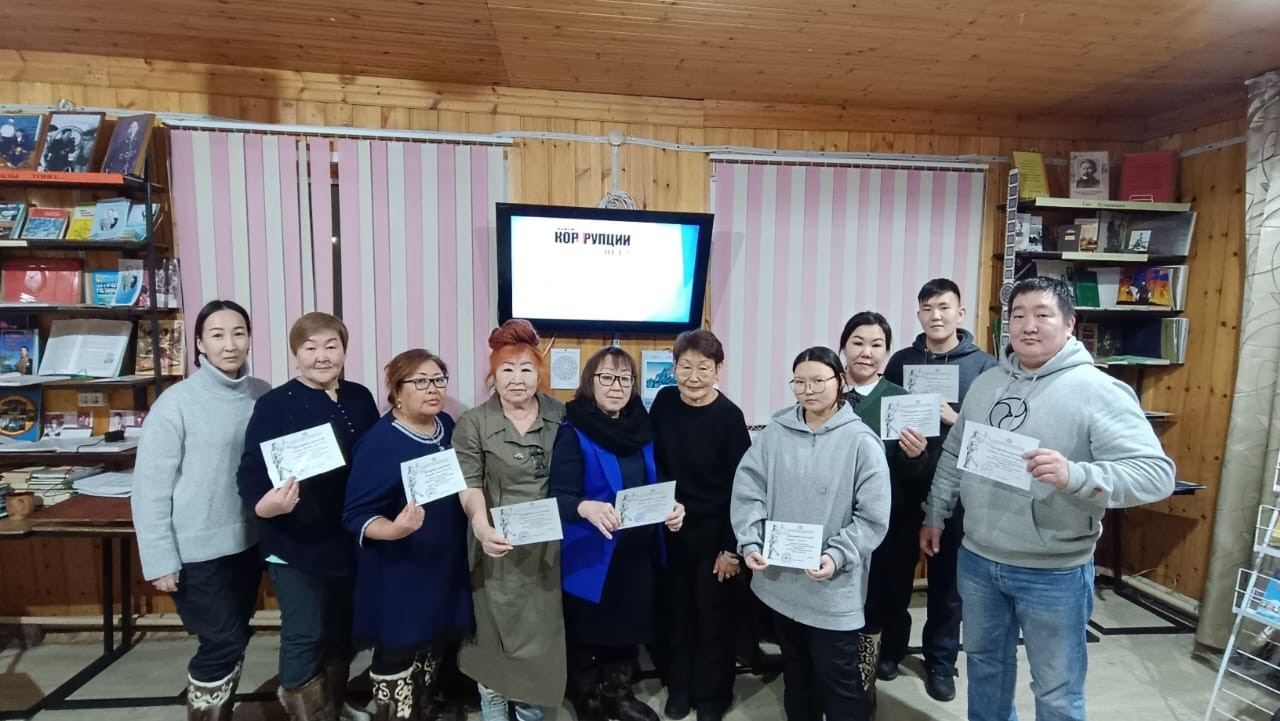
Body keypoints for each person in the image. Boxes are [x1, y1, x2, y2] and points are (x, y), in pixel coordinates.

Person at [919, 276, 1175, 720]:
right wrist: (936, 514)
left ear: (1070, 323)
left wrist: (1076, 475)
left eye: (1042, 314)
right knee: (984, 669)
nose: (1028, 326)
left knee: (1056, 689)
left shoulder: (1099, 390)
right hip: (978, 559)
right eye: (1018, 315)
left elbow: (1156, 475)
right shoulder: (987, 383)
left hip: (1054, 571)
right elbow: (956, 454)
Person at [730, 346, 890, 721]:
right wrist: (750, 540)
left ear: (840, 381)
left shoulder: (861, 441)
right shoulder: (776, 433)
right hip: (780, 583)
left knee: (840, 681)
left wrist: (837, 555)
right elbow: (748, 489)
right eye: (799, 382)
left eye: (819, 380)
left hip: (832, 587)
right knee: (797, 674)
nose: (808, 389)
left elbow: (873, 518)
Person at [131, 300, 271, 721]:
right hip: (195, 550)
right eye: (217, 335)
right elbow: (150, 488)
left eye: (239, 333)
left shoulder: (262, 393)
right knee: (223, 641)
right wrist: (160, 559)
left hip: (247, 542)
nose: (230, 344)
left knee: (237, 635)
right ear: (199, 343)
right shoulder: (176, 403)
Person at [237, 312, 380, 721]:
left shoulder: (359, 397)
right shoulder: (274, 404)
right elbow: (250, 472)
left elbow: (373, 458)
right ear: (295, 354)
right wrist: (266, 505)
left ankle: (334, 704)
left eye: (331, 346)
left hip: (348, 537)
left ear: (344, 350)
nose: (322, 356)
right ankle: (309, 713)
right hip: (294, 541)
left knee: (342, 630)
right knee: (304, 633)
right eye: (310, 347)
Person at [550, 346, 686, 721]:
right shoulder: (573, 431)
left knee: (628, 630)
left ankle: (618, 695)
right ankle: (588, 700)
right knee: (588, 633)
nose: (616, 386)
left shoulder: (642, 430)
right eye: (607, 377)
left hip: (637, 555)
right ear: (589, 383)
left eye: (625, 378)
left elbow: (655, 485)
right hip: (593, 554)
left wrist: (672, 508)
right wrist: (585, 507)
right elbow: (558, 496)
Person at [881, 277, 997, 702]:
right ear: (918, 315)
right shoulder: (901, 361)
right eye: (927, 308)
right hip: (904, 487)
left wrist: (954, 419)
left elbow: (994, 435)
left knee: (948, 585)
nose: (936, 315)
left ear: (959, 313)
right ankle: (891, 650)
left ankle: (941, 662)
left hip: (958, 493)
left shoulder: (985, 367)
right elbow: (884, 419)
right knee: (894, 578)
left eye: (944, 307)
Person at [343, 349, 473, 721]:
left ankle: (422, 707)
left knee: (434, 644)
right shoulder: (379, 442)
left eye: (438, 380)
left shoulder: (445, 425)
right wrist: (395, 529)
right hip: (399, 568)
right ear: (397, 392)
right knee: (398, 649)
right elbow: (355, 514)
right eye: (420, 382)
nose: (433, 389)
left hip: (442, 560)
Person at [455, 319, 567, 721]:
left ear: (539, 372)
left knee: (540, 634)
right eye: (507, 369)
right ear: (493, 374)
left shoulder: (560, 413)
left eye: (526, 369)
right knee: (494, 629)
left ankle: (529, 706)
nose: (517, 379)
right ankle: (494, 701)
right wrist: (481, 527)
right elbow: (469, 484)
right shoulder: (474, 422)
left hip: (548, 546)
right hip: (496, 544)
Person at [649, 330, 751, 721]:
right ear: (674, 368)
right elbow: (654, 463)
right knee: (675, 614)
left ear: (718, 369)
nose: (693, 377)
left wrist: (732, 549)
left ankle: (713, 695)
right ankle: (680, 688)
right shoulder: (664, 403)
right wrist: (664, 506)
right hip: (671, 529)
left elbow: (743, 489)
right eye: (685, 367)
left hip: (715, 533)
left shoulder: (729, 417)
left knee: (714, 618)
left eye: (703, 368)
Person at [838, 312, 932, 707]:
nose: (867, 352)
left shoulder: (902, 400)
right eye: (858, 342)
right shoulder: (826, 390)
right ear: (843, 346)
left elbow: (919, 476)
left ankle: (874, 669)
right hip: (836, 522)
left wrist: (916, 456)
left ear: (887, 352)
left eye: (877, 345)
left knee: (882, 597)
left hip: (889, 523)